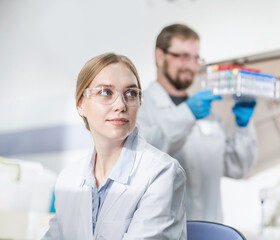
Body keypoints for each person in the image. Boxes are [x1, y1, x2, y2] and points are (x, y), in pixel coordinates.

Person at [43, 53, 186, 239]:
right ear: (81, 105)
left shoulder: (162, 173)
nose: (121, 105)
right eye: (106, 92)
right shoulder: (68, 179)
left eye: (131, 93)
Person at [137, 24, 258, 222]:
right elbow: (145, 159)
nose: (192, 66)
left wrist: (243, 127)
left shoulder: (208, 113)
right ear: (159, 57)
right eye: (183, 56)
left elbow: (236, 168)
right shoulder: (140, 108)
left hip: (210, 231)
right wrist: (187, 114)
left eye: (196, 58)